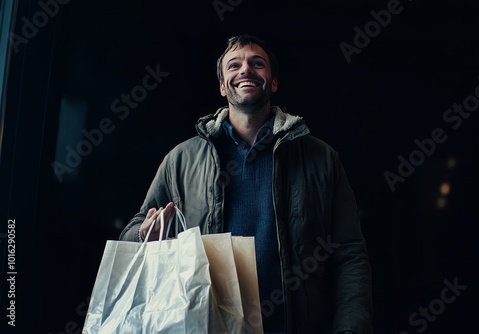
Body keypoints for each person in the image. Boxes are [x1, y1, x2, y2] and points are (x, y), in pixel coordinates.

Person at [119, 34, 373, 334]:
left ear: (273, 82)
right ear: (223, 86)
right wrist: (144, 232)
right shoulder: (182, 159)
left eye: (257, 64)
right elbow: (132, 234)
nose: (246, 70)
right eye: (234, 65)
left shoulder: (321, 158)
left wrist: (351, 329)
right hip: (206, 326)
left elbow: (349, 254)